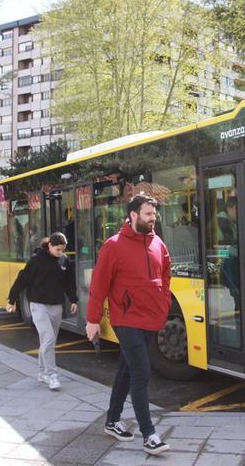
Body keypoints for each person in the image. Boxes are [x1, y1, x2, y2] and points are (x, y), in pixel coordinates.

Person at [86, 194, 171, 455]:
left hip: (150, 317)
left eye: (154, 214)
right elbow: (99, 285)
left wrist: (164, 301)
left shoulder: (158, 243)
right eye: (148, 214)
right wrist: (93, 320)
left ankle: (112, 421)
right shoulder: (113, 246)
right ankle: (149, 435)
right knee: (141, 372)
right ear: (133, 215)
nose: (152, 218)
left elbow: (166, 274)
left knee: (126, 369)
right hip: (126, 318)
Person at [7, 232, 78, 390]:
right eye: (58, 249)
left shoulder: (64, 260)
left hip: (56, 306)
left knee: (47, 341)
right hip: (38, 306)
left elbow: (69, 282)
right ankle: (52, 375)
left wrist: (73, 299)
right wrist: (11, 300)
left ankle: (41, 372)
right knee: (49, 339)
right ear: (50, 245)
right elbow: (22, 279)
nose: (60, 252)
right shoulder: (37, 260)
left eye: (63, 249)